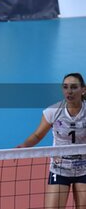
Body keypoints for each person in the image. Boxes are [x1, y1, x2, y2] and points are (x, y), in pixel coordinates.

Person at [17, 73, 86, 208]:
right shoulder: (53, 111)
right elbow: (37, 135)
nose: (69, 91)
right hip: (60, 169)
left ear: (83, 90)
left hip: (84, 168)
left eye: (73, 87)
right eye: (65, 87)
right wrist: (23, 146)